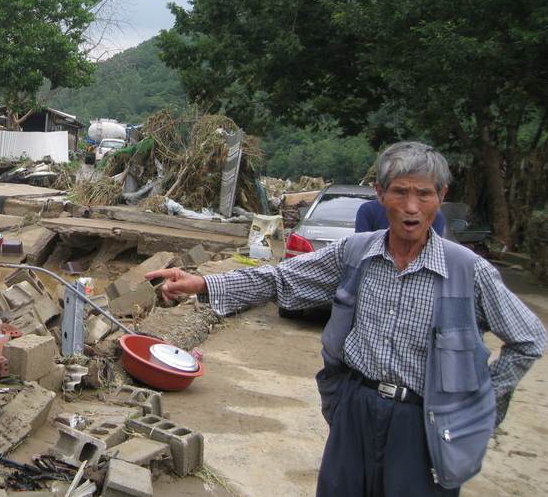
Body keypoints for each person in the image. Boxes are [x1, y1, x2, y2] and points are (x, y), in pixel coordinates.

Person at [146, 141, 545, 496]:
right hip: (355, 407)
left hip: (424, 421)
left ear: (441, 196)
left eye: (423, 194)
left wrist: (480, 405)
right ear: (379, 195)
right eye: (400, 192)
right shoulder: (355, 253)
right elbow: (281, 279)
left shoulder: (467, 271)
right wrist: (200, 282)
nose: (411, 207)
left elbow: (528, 339)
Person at [356, 194, 446, 235]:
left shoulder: (434, 214)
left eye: (423, 194)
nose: (411, 209)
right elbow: (360, 248)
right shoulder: (369, 210)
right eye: (400, 192)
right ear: (380, 191)